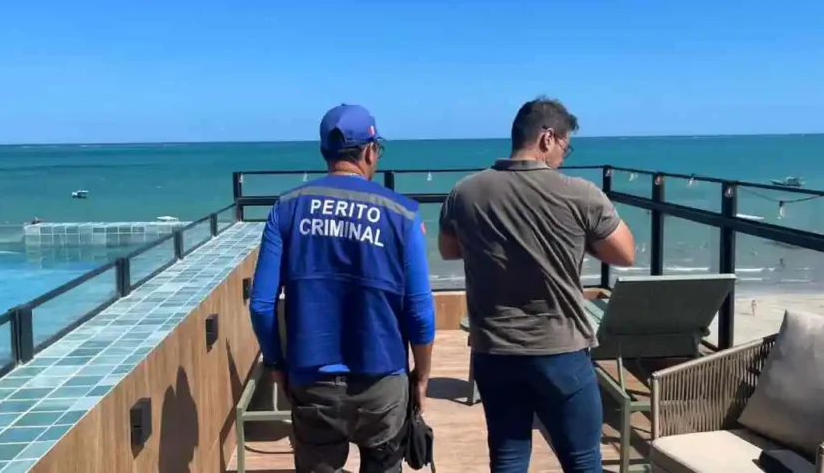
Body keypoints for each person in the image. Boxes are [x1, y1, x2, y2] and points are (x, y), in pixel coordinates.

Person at [437, 97, 635, 472]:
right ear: (547, 139)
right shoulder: (580, 193)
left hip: (494, 349)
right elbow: (625, 253)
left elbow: (448, 250)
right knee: (582, 460)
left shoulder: (466, 192)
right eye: (565, 145)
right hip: (560, 350)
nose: (564, 155)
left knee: (509, 457)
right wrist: (579, 241)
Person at [249, 104, 436, 473]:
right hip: (382, 379)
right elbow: (420, 311)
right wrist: (422, 375)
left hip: (312, 378)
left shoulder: (285, 208)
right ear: (369, 151)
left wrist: (276, 363)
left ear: (325, 152)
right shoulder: (403, 216)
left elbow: (261, 306)